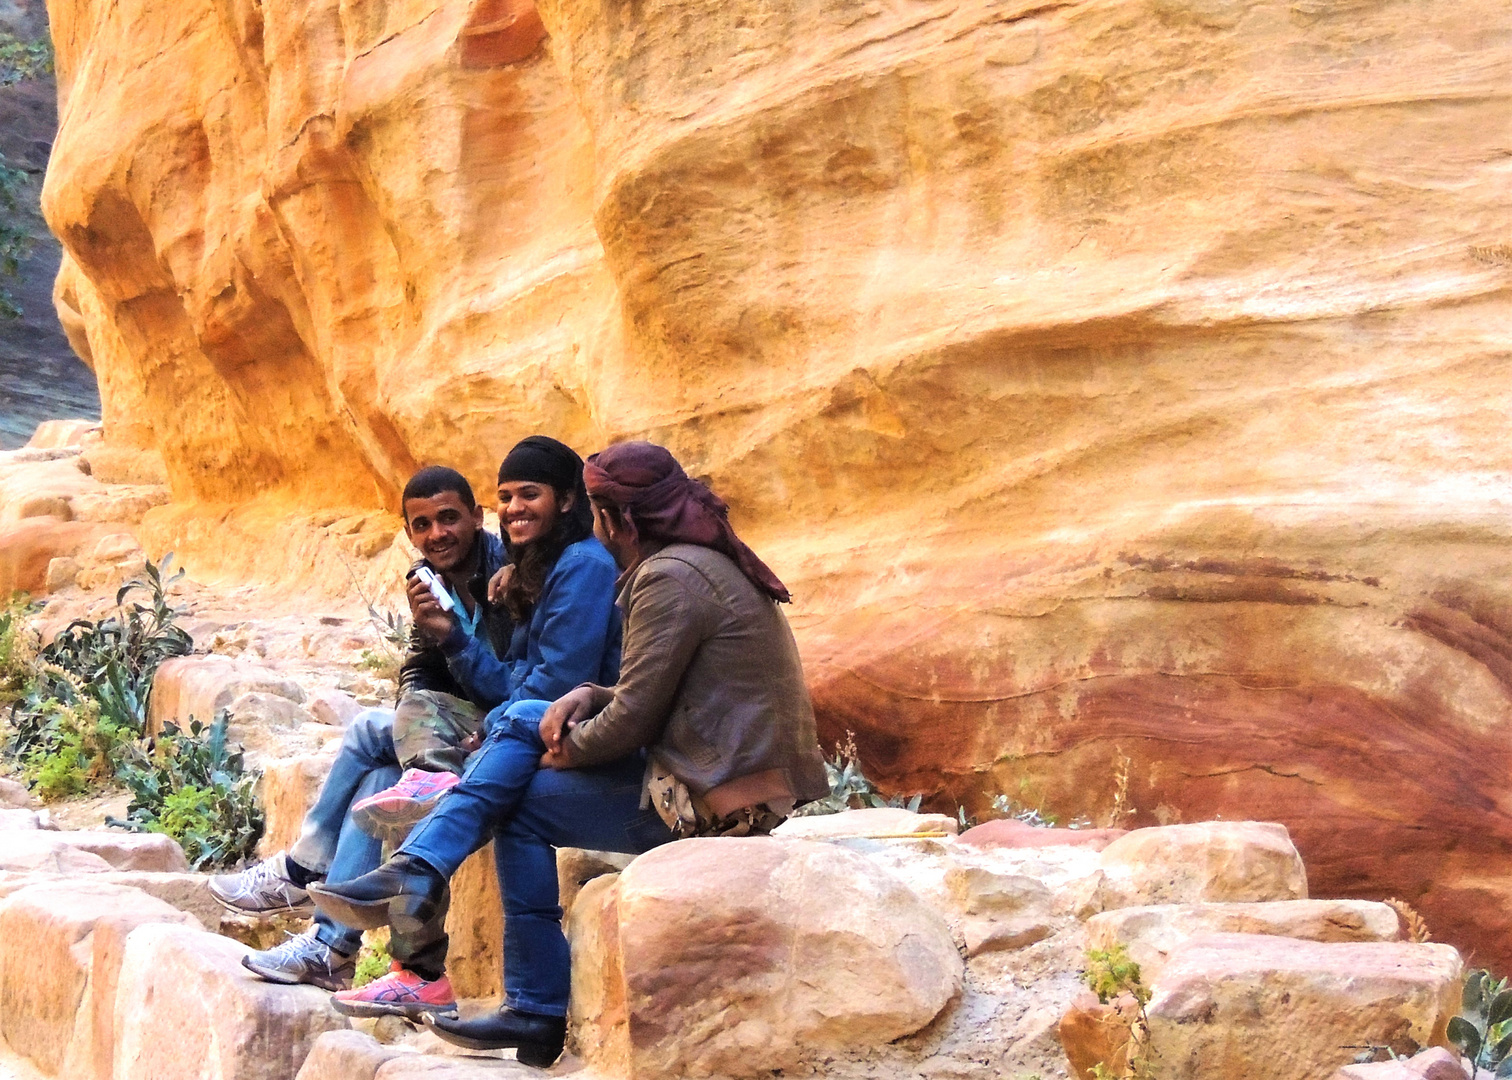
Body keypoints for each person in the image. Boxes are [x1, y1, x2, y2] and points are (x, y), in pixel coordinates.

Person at [309, 441, 829, 1064]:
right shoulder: (683, 565)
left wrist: (565, 748)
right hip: (714, 775)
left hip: (722, 802)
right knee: (525, 747)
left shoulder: (667, 577)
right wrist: (588, 696)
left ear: (613, 516)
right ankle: (514, 989)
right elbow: (653, 692)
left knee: (525, 749)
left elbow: (632, 721)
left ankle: (502, 969)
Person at [213, 440, 622, 1005]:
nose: (438, 534)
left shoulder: (541, 568)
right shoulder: (479, 571)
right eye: (422, 525)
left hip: (524, 726)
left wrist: (460, 656)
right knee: (383, 777)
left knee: (376, 740)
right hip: (498, 716)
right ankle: (353, 951)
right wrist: (440, 647)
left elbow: (547, 685)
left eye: (530, 494)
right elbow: (424, 670)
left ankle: (316, 885)